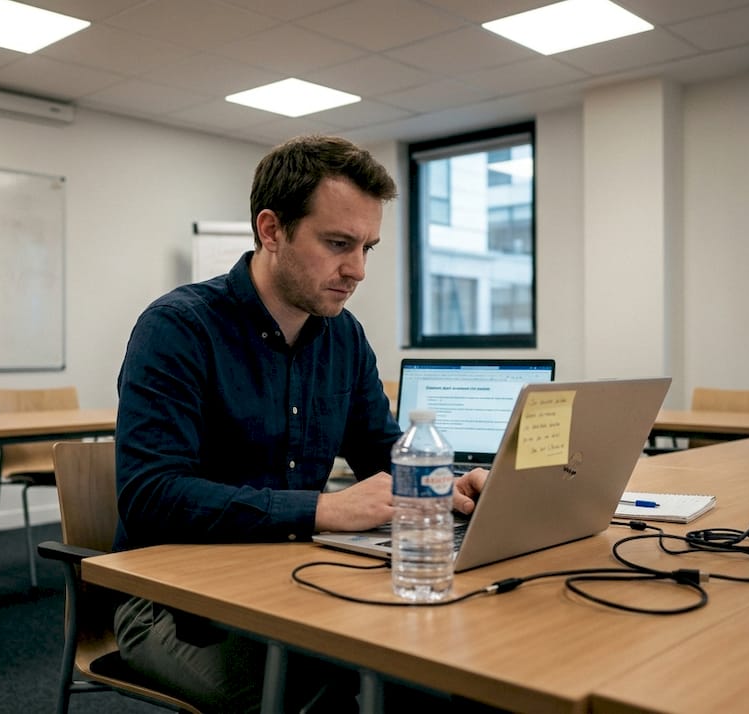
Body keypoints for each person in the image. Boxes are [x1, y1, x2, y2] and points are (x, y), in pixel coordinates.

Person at [112, 135, 488, 712]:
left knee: (445, 664)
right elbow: (150, 496)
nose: (357, 270)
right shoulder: (177, 330)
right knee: (336, 694)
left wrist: (449, 483)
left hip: (291, 574)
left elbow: (382, 451)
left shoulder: (344, 336)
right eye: (338, 243)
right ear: (272, 230)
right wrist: (322, 510)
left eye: (367, 247)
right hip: (174, 603)